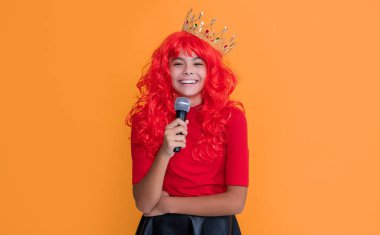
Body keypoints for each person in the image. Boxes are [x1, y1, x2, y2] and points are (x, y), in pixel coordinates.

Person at [125, 9, 249, 235]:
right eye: (178, 63)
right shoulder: (145, 119)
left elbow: (236, 202)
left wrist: (167, 204)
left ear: (211, 70)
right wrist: (164, 152)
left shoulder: (231, 118)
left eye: (198, 63)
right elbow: (144, 204)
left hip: (215, 228)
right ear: (166, 70)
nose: (188, 71)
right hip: (163, 228)